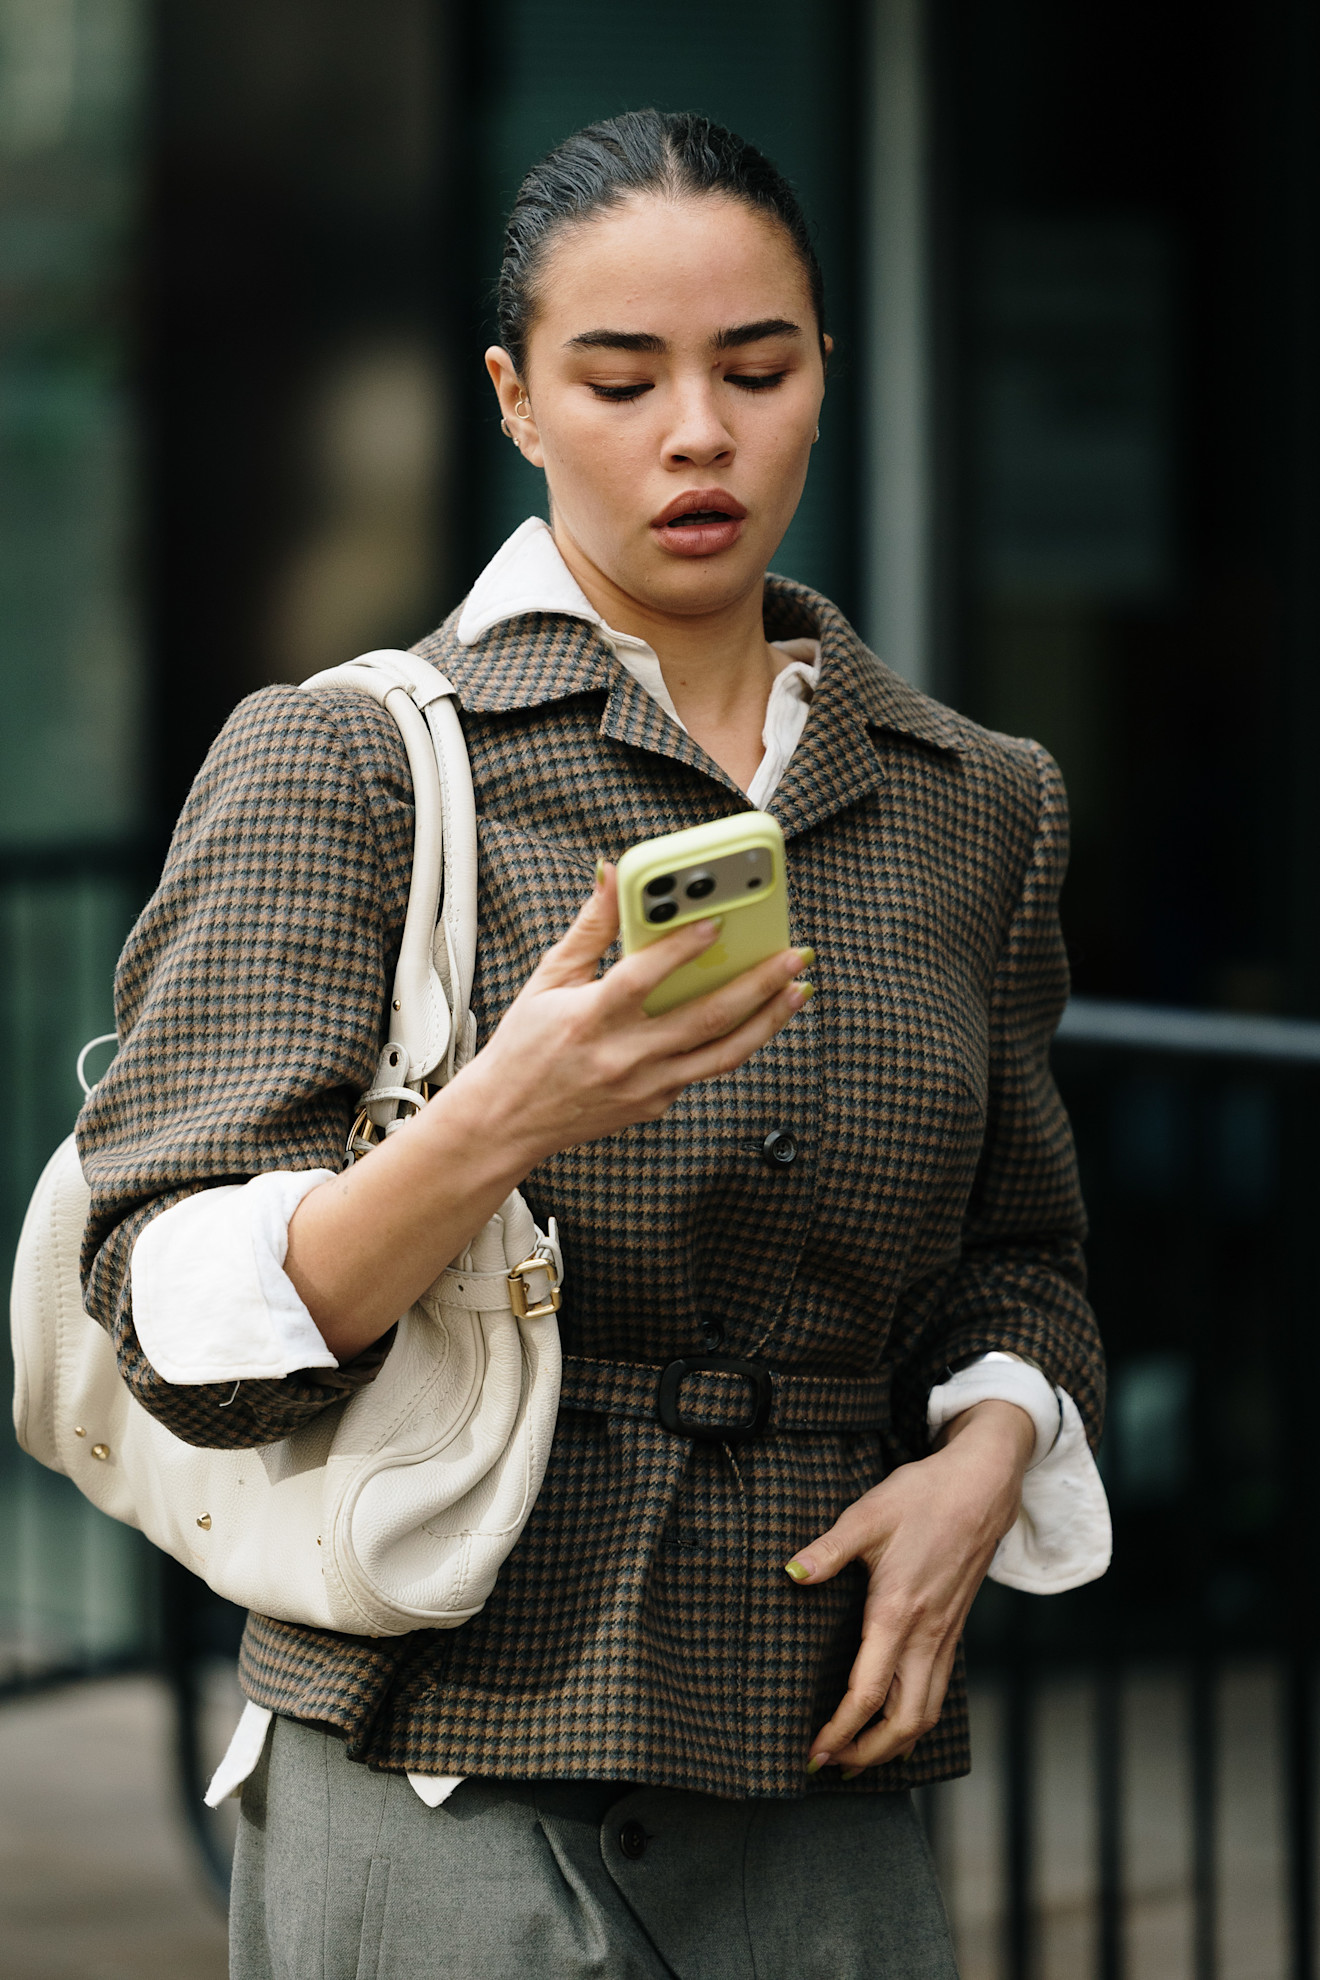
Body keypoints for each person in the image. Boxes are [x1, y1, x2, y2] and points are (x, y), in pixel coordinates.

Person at [79, 110, 1110, 1979]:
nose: (696, 433)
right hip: (433, 1765)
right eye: (619, 379)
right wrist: (498, 1120)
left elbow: (1019, 1258)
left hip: (821, 1780)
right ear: (515, 400)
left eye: (757, 367)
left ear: (824, 381)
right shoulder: (352, 762)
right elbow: (169, 1321)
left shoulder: (977, 802)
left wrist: (987, 1456)